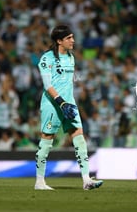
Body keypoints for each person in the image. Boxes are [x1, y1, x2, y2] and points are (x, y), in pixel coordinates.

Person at [34, 25, 103, 191]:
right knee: (46, 140)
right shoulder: (46, 58)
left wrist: (69, 101)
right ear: (59, 41)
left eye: (72, 37)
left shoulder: (71, 58)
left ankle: (86, 180)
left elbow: (68, 81)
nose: (73, 40)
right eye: (69, 38)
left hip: (69, 103)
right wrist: (61, 102)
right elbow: (47, 85)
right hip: (52, 104)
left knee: (79, 137)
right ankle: (39, 182)